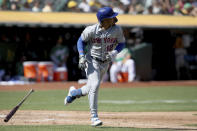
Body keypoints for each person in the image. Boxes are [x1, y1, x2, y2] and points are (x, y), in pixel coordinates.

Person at [64, 7, 125, 126]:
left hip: (105, 62)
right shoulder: (91, 29)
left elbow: (122, 43)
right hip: (92, 60)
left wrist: (115, 52)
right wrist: (81, 56)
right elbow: (80, 41)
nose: (114, 18)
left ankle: (73, 93)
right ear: (104, 20)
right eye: (111, 17)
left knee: (90, 87)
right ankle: (94, 116)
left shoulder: (117, 30)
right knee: (95, 85)